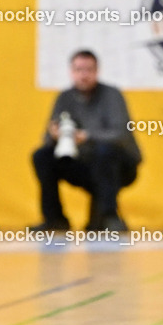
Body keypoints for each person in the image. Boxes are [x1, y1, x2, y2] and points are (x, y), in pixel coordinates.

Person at [31, 50, 140, 232]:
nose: (84, 75)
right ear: (71, 72)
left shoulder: (112, 95)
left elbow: (120, 134)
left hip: (119, 166)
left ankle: (109, 216)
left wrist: (87, 136)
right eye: (79, 69)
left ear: (97, 71)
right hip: (84, 163)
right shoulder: (65, 98)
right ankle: (54, 219)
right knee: (42, 156)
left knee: (104, 151)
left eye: (89, 69)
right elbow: (48, 136)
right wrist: (55, 135)